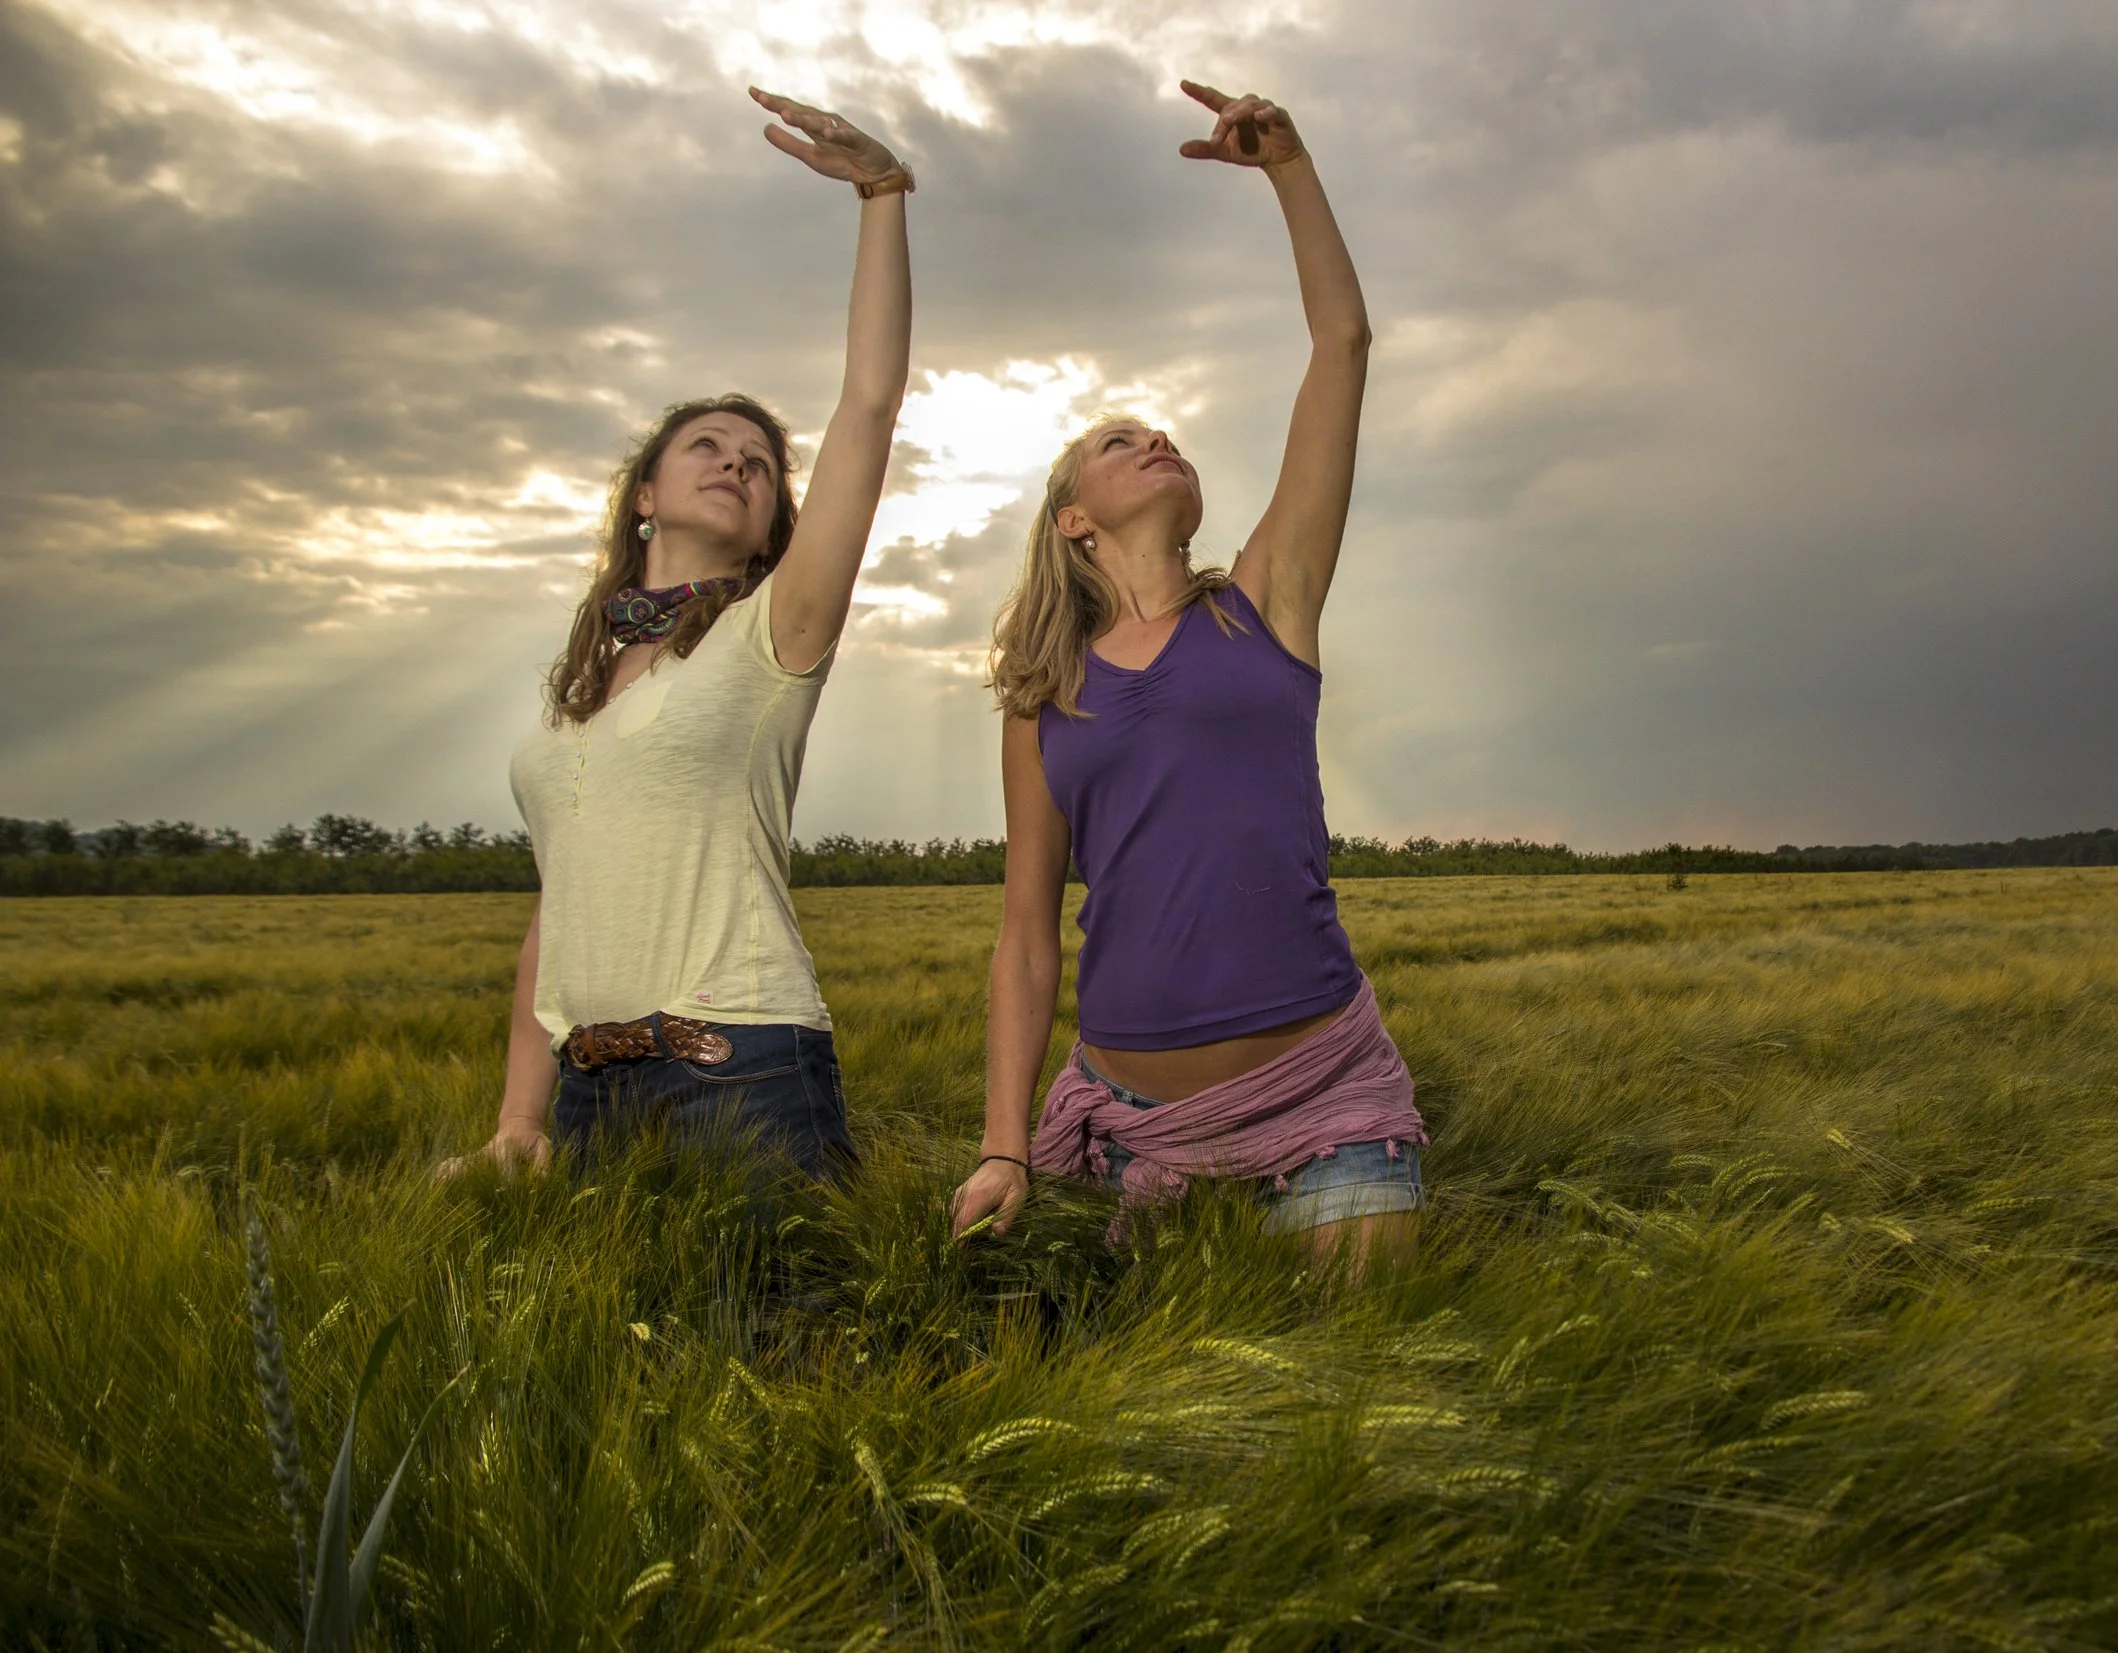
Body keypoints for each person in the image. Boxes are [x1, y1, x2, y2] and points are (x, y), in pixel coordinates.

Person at [950, 82, 1424, 1264]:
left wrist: (1289, 169)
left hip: (1325, 1104)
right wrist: (1006, 1141)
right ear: (1071, 521)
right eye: (1119, 439)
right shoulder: (1042, 695)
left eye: (1163, 431)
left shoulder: (1267, 603)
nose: (1154, 436)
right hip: (1132, 1134)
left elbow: (1341, 347)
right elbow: (1023, 932)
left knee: (1351, 1421)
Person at [445, 89, 911, 1182]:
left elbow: (870, 404)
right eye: (707, 444)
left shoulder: (770, 634)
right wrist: (522, 1119)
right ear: (644, 494)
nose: (739, 463)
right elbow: (556, 915)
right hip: (586, 1092)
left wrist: (882, 195)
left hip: (740, 1071)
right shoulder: (577, 699)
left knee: (785, 1353)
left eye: (759, 462)